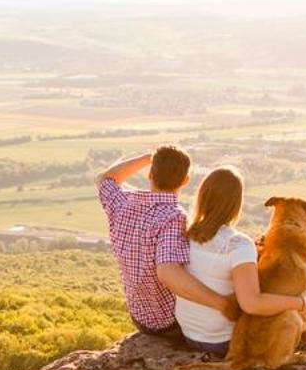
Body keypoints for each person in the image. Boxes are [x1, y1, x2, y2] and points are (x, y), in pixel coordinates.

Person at [173, 166, 306, 358]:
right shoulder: (237, 243)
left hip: (190, 334)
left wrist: (253, 255)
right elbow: (252, 304)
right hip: (223, 341)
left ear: (202, 197)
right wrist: (300, 303)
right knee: (284, 285)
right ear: (236, 204)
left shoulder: (188, 232)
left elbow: (214, 267)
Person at [97, 145, 232, 340]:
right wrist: (222, 304)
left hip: (139, 317)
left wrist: (146, 157)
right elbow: (168, 271)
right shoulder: (174, 218)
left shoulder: (122, 204)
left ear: (150, 174)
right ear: (186, 181)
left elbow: (106, 178)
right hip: (169, 323)